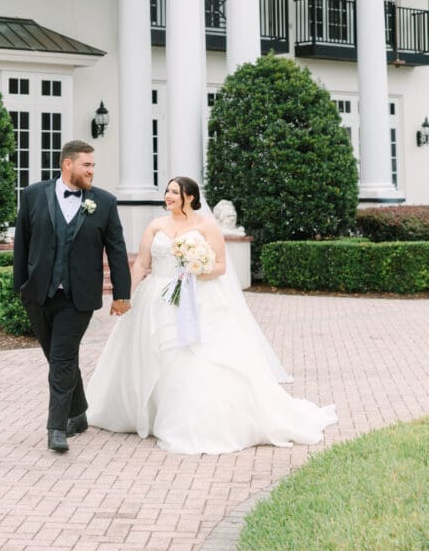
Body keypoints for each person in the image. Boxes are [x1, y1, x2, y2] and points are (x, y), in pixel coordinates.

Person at [86, 176, 337, 455]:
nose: (168, 196)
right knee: (156, 354)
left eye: (174, 192)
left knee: (187, 358)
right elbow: (142, 263)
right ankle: (150, 412)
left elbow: (220, 266)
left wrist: (197, 269)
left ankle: (184, 420)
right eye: (167, 191)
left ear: (190, 197)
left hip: (196, 298)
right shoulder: (155, 225)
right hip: (156, 298)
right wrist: (125, 296)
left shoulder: (206, 226)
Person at [13, 139, 132, 453]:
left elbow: (116, 250)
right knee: (57, 358)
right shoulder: (33, 195)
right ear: (68, 164)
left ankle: (56, 428)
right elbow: (22, 242)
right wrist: (20, 287)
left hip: (78, 297)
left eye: (93, 165)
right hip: (38, 293)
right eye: (86, 165)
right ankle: (78, 414)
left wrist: (122, 293)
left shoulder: (104, 202)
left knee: (62, 359)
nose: (92, 171)